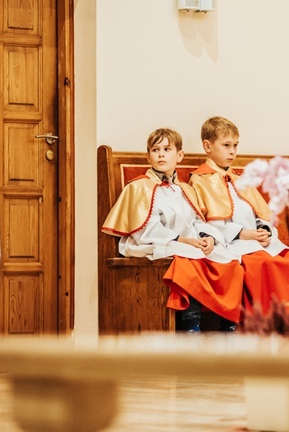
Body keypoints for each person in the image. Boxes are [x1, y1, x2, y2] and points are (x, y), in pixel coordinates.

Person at [101, 128, 243, 333]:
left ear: (179, 155)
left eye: (167, 149)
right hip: (155, 243)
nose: (160, 154)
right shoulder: (139, 187)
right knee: (189, 260)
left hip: (188, 243)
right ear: (147, 156)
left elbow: (196, 221)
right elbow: (146, 229)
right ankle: (191, 326)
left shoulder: (184, 188)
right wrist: (183, 241)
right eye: (155, 149)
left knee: (230, 260)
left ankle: (228, 324)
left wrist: (208, 237)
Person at [188, 116, 289, 314]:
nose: (232, 151)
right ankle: (267, 328)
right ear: (207, 146)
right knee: (265, 265)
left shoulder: (240, 179)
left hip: (258, 243)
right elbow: (201, 224)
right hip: (232, 245)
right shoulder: (199, 181)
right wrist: (243, 234)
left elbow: (259, 214)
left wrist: (263, 229)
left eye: (235, 145)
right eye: (226, 145)